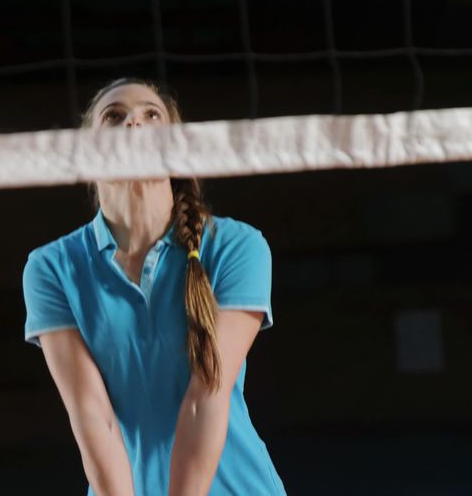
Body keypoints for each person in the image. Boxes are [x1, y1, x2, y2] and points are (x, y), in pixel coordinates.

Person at [22, 78, 286, 495]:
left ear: (174, 147)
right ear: (86, 154)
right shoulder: (51, 267)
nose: (133, 123)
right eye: (114, 116)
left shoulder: (237, 246)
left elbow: (205, 399)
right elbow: (93, 416)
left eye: (151, 114)